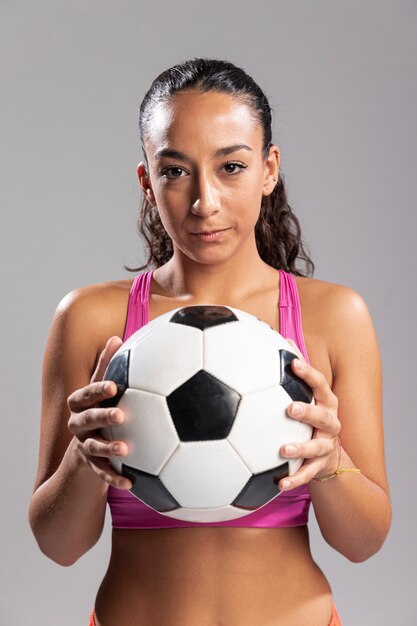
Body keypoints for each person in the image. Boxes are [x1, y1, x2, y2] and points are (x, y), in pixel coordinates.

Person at [28, 57, 392, 626]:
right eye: (175, 171)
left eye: (231, 167)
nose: (205, 202)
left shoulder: (332, 317)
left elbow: (364, 541)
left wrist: (329, 459)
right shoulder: (92, 320)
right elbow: (59, 545)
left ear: (268, 170)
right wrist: (83, 456)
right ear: (147, 182)